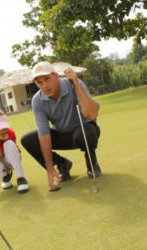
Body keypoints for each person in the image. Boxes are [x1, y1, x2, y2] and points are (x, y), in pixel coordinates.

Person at [21, 61, 101, 191]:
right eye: (39, 82)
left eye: (47, 79)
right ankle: (62, 164)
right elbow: (44, 133)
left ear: (56, 76)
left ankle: (92, 161)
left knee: (86, 133)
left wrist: (76, 85)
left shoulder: (74, 84)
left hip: (83, 130)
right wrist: (49, 166)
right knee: (28, 140)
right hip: (62, 135)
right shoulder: (37, 100)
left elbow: (91, 114)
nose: (44, 86)